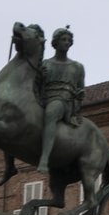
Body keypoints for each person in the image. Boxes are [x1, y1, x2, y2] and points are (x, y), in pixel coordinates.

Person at [36, 26, 85, 172]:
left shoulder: (77, 67)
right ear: (55, 43)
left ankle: (44, 159)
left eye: (69, 40)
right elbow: (36, 84)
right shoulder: (45, 64)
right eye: (63, 39)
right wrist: (40, 77)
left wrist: (80, 95)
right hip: (44, 98)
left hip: (64, 101)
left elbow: (80, 89)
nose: (67, 42)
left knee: (52, 111)